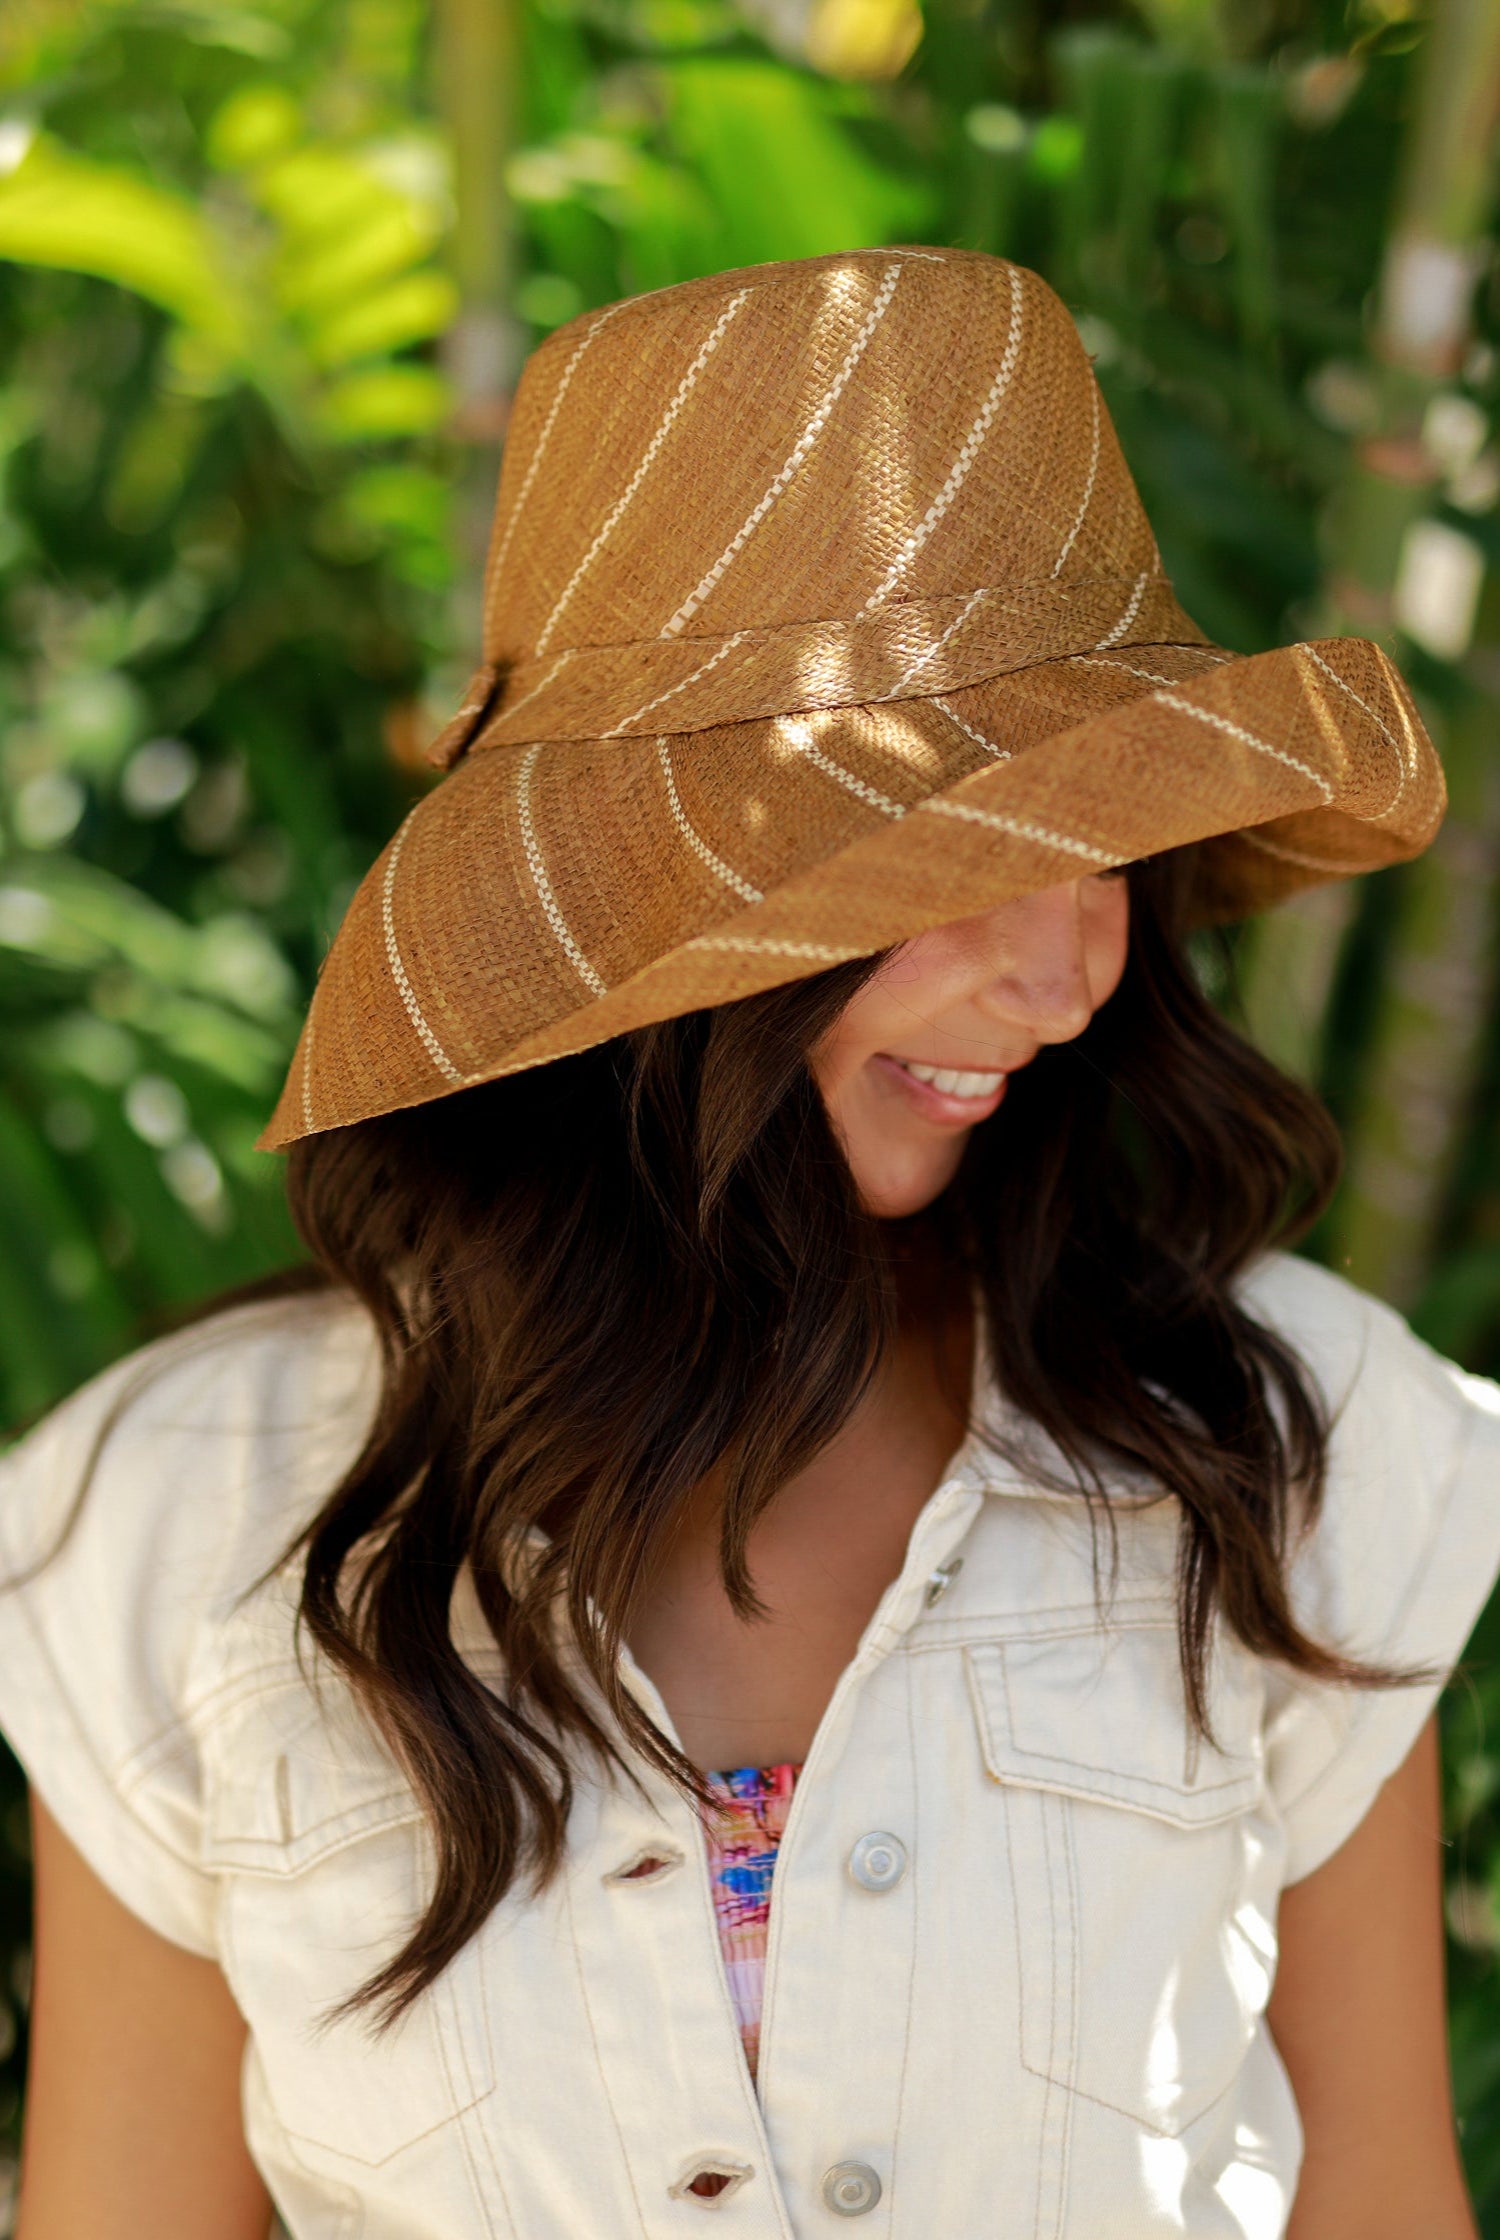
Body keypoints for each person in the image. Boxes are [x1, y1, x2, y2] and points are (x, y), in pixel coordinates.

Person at [3, 245, 1496, 2240]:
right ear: (658, 910)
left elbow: (1382, 2202)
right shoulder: (178, 1514)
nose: (1068, 973)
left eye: (1108, 846)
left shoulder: (1287, 1447)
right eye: (967, 850)